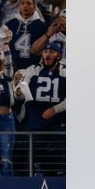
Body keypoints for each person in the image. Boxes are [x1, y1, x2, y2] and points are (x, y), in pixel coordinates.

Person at [13, 40, 65, 176]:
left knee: (55, 162)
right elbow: (20, 91)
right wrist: (18, 92)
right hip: (36, 123)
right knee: (32, 158)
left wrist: (55, 109)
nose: (48, 55)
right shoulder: (33, 70)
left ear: (58, 55)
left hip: (56, 123)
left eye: (52, 52)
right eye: (45, 51)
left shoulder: (65, 72)